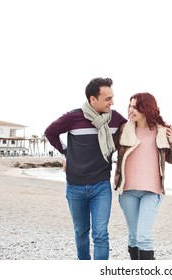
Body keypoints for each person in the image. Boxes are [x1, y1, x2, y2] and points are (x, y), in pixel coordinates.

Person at [44, 77, 127, 260]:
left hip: (101, 186)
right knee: (81, 232)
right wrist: (66, 152)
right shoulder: (73, 117)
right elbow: (50, 132)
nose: (112, 102)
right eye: (107, 99)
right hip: (75, 187)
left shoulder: (116, 119)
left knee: (100, 235)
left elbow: (134, 132)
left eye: (112, 98)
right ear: (92, 99)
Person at [114, 92, 172, 260]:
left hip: (152, 192)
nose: (131, 110)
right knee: (133, 236)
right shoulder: (124, 129)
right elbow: (106, 148)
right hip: (128, 190)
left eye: (135, 106)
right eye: (130, 106)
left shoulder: (161, 131)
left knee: (143, 237)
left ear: (146, 108)